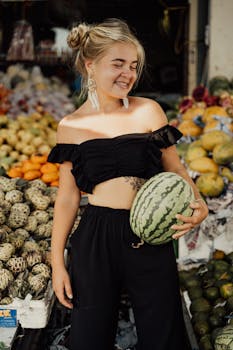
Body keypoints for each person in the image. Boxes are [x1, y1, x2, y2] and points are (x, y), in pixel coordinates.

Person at [47, 18, 208, 350]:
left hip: (149, 235)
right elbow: (67, 197)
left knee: (163, 333)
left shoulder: (148, 111)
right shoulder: (70, 126)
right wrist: (57, 262)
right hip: (96, 236)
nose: (128, 74)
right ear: (90, 65)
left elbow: (176, 169)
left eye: (133, 66)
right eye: (117, 64)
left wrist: (199, 203)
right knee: (90, 337)